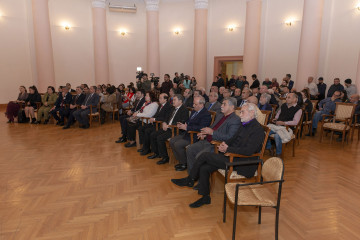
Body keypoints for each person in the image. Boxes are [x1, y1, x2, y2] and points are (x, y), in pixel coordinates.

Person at [171, 103, 265, 208]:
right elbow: (232, 139)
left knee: (205, 156)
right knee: (204, 168)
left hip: (244, 163)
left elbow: (249, 151)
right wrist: (224, 145)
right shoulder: (244, 124)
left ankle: (190, 179)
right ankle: (205, 197)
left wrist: (228, 149)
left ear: (252, 113)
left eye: (243, 112)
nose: (240, 115)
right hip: (232, 156)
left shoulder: (258, 130)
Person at [185, 97, 241, 173]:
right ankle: (192, 176)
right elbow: (212, 127)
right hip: (207, 140)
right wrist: (204, 133)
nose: (221, 106)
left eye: (224, 104)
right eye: (222, 104)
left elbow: (229, 137)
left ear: (232, 107)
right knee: (190, 149)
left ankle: (197, 177)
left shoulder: (235, 119)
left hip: (216, 145)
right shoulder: (220, 115)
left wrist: (212, 133)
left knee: (199, 156)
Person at [169, 96, 212, 171]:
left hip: (194, 135)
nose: (193, 106)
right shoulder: (194, 111)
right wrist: (184, 124)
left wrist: (187, 127)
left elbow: (201, 128)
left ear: (201, 105)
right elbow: (189, 121)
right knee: (172, 141)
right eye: (193, 104)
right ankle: (181, 160)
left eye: (195, 104)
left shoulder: (206, 114)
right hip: (187, 133)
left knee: (177, 144)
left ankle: (184, 163)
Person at [147, 94, 189, 164]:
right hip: (168, 127)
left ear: (180, 101)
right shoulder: (173, 108)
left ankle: (165, 157)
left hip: (175, 130)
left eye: (175, 100)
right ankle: (156, 153)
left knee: (160, 138)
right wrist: (164, 123)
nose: (173, 101)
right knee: (153, 134)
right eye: (173, 100)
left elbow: (181, 122)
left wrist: (169, 125)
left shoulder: (184, 110)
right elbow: (166, 118)